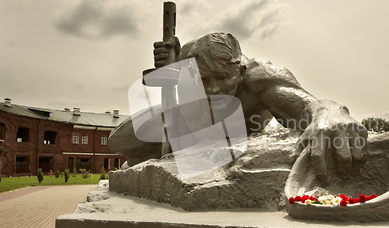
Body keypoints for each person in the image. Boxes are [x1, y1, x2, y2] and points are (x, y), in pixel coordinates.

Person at [109, 33, 367, 183]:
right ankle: (137, 167)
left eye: (222, 79)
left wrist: (331, 114)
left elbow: (308, 104)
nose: (212, 89)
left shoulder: (260, 78)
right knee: (120, 140)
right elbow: (164, 86)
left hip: (236, 138)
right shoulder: (189, 63)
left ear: (240, 71)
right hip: (190, 130)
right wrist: (171, 69)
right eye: (204, 80)